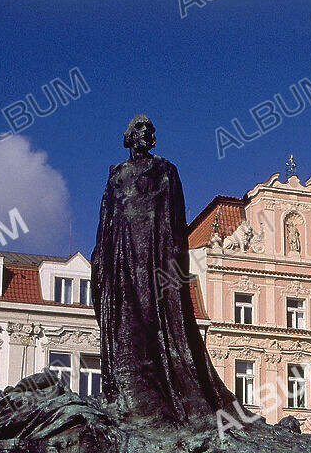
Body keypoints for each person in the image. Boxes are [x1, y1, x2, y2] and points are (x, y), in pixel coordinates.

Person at [90, 115, 234, 423]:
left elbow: (175, 223)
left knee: (157, 321)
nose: (145, 134)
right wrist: (101, 258)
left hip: (155, 256)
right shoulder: (116, 174)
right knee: (127, 322)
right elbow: (106, 221)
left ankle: (169, 396)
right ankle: (127, 394)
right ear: (129, 136)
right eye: (139, 129)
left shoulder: (165, 170)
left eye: (149, 130)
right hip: (122, 256)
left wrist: (172, 263)